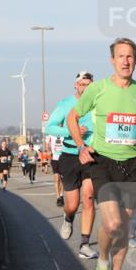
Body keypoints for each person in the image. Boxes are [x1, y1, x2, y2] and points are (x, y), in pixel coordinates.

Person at [68, 38, 136, 270]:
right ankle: (102, 265)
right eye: (121, 56)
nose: (126, 61)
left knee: (123, 229)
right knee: (112, 223)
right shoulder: (97, 89)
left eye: (130, 56)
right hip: (103, 162)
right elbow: (73, 117)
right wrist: (80, 145)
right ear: (112, 60)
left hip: (132, 165)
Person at [46, 71, 98, 258]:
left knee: (89, 196)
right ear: (76, 85)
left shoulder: (98, 102)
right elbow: (49, 127)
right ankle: (68, 218)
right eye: (82, 84)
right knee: (73, 204)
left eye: (88, 84)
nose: (85, 88)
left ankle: (85, 243)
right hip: (70, 155)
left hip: (92, 155)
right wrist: (71, 131)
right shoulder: (66, 103)